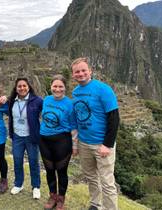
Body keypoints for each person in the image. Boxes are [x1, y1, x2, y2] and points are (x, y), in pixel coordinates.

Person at [71, 57, 120, 210]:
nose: (81, 74)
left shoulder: (103, 89)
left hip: (102, 144)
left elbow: (114, 118)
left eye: (83, 70)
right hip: (84, 142)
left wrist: (107, 144)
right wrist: (76, 143)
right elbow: (77, 117)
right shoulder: (75, 92)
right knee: (91, 177)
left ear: (90, 71)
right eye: (77, 72)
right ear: (73, 75)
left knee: (107, 182)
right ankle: (95, 204)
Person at [39, 75, 78, 210]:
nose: (57, 89)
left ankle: (61, 199)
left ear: (65, 88)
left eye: (60, 86)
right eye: (55, 86)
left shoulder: (69, 104)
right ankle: (52, 196)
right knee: (49, 170)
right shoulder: (47, 100)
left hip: (62, 141)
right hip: (44, 140)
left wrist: (75, 146)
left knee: (61, 171)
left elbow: (73, 126)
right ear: (51, 87)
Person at [8, 78, 43, 199]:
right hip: (17, 137)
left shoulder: (37, 101)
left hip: (31, 137)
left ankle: (36, 187)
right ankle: (18, 184)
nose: (22, 88)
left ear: (28, 87)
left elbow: (46, 113)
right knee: (17, 161)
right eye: (19, 86)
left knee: (33, 162)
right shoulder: (12, 101)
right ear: (16, 88)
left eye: (24, 86)